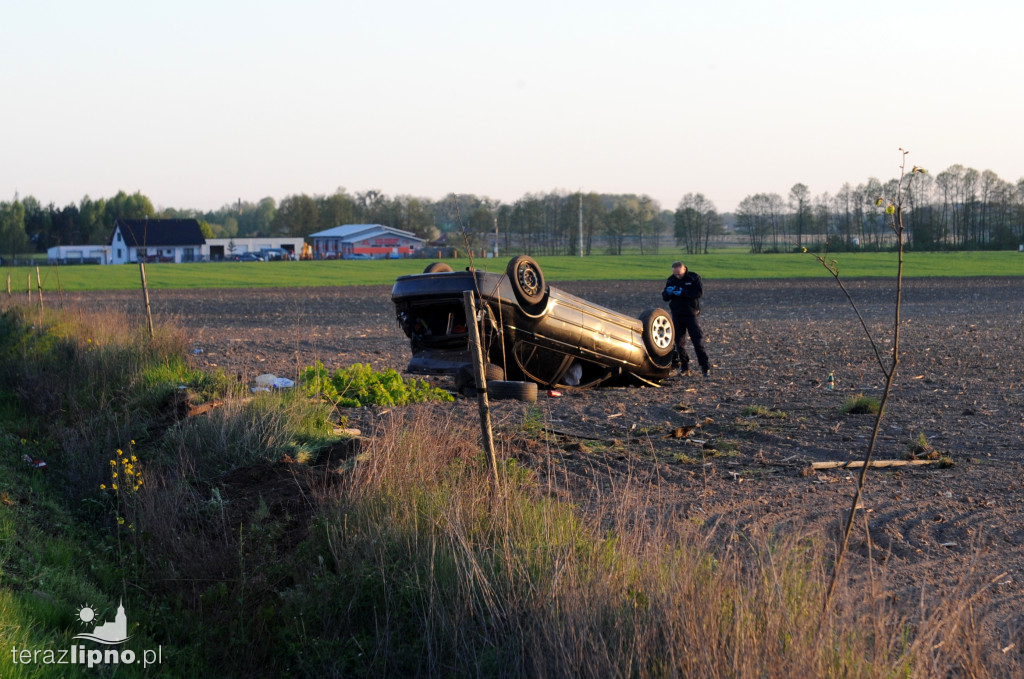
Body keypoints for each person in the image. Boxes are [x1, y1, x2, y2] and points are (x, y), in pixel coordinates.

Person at [662, 261, 711, 377]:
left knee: (697, 342)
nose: (677, 276)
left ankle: (705, 368)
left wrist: (684, 293)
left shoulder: (694, 278)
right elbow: (665, 297)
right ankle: (685, 368)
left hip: (690, 314)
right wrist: (668, 293)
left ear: (684, 269)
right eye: (675, 274)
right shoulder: (671, 280)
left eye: (679, 274)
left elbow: (699, 292)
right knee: (679, 344)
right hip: (677, 315)